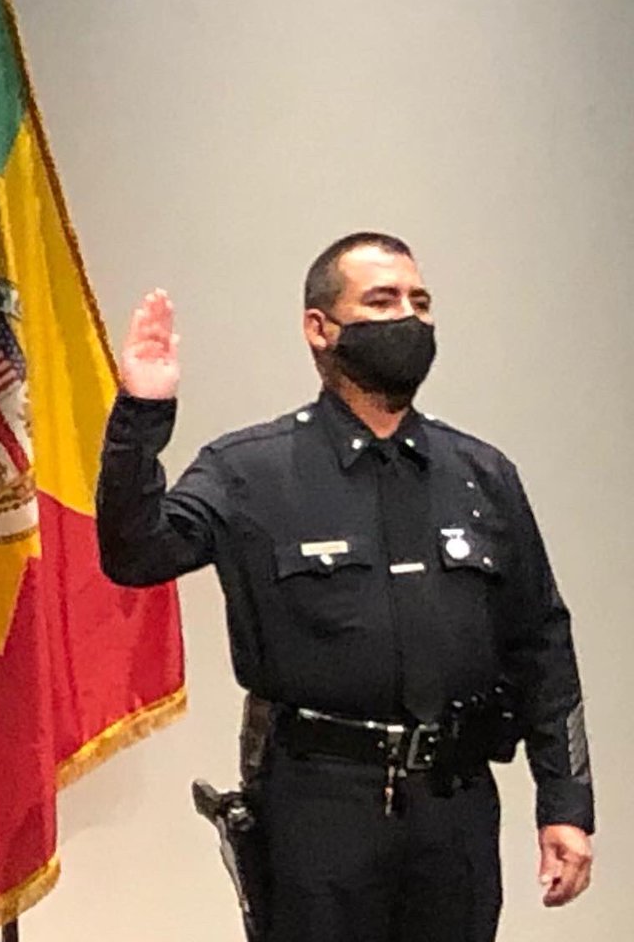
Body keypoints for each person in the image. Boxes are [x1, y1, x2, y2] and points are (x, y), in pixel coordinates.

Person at [96, 233, 594, 942]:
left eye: (421, 303)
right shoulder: (252, 471)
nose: (410, 319)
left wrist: (566, 802)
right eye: (382, 301)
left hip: (453, 804)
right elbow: (134, 554)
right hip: (317, 808)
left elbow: (541, 641)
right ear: (319, 328)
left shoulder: (481, 474)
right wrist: (141, 417)